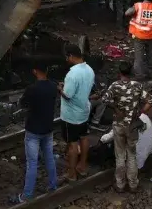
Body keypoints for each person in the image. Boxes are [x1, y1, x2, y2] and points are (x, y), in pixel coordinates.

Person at [99, 63, 151, 193]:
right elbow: (151, 99)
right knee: (132, 155)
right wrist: (141, 112)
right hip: (132, 126)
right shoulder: (138, 86)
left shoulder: (114, 86)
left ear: (119, 73)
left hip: (118, 125)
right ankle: (133, 184)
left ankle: (120, 184)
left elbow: (104, 99)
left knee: (120, 156)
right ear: (131, 72)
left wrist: (116, 108)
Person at [14, 62, 58, 203]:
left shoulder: (32, 89)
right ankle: (53, 186)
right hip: (48, 128)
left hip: (33, 130)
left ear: (34, 71)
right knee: (49, 158)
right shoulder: (53, 86)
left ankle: (26, 196)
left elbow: (23, 103)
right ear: (46, 70)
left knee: (32, 163)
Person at [59, 45, 94, 182]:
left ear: (71, 56)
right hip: (84, 111)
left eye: (67, 57)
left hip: (71, 115)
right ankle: (82, 166)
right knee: (84, 138)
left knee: (73, 144)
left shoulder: (72, 74)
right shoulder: (89, 70)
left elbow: (67, 95)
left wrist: (60, 88)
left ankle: (72, 173)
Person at [126, 0, 152, 79]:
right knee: (151, 56)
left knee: (139, 58)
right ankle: (151, 74)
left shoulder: (138, 6)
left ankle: (139, 76)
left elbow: (127, 13)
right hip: (151, 35)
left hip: (139, 36)